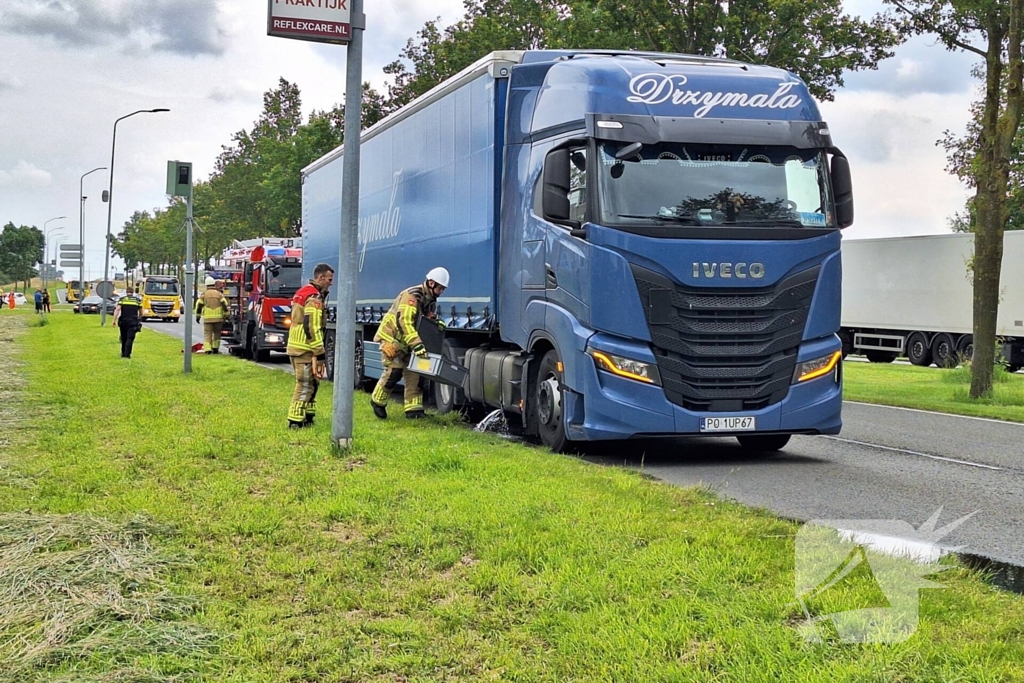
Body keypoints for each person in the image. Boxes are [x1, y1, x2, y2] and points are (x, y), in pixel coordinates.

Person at [370, 267, 449, 420]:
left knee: (416, 374)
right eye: (440, 288)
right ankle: (377, 402)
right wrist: (417, 344)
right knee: (394, 372)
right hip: (393, 339)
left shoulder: (430, 300)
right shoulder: (412, 296)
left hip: (409, 341)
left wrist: (435, 323)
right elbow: (404, 321)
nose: (441, 292)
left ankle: (414, 411)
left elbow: (423, 320)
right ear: (431, 283)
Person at [285, 263, 334, 429]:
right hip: (305, 348)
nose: (331, 283)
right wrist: (319, 352)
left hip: (298, 346)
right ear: (320, 277)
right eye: (329, 279)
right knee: (305, 383)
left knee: (313, 382)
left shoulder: (304, 292)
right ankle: (295, 421)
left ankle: (307, 416)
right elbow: (312, 326)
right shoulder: (314, 297)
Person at [195, 277, 229, 354]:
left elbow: (199, 306)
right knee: (217, 333)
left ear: (206, 285)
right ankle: (215, 348)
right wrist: (226, 315)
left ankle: (207, 350)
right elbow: (224, 305)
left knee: (207, 334)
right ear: (214, 284)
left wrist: (198, 316)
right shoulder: (219, 294)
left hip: (208, 319)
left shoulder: (204, 295)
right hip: (218, 318)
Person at [112, 287, 143, 358]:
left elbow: (117, 309)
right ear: (133, 292)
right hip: (133, 322)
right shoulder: (137, 300)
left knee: (124, 337)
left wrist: (114, 320)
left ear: (126, 292)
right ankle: (127, 354)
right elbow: (141, 311)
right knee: (130, 338)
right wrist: (140, 317)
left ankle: (123, 353)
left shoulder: (122, 299)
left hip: (123, 321)